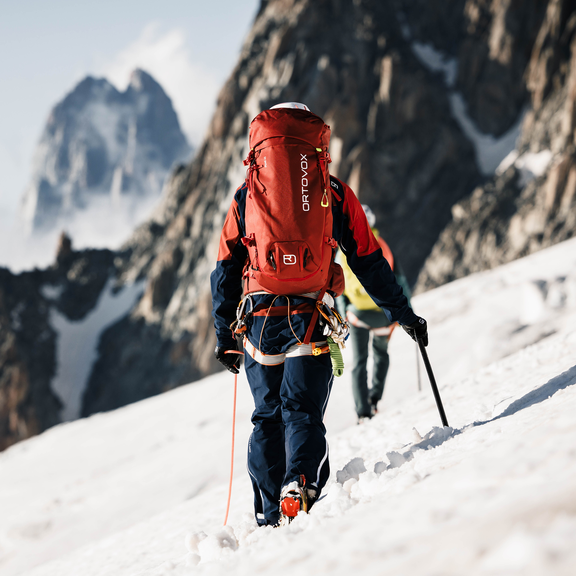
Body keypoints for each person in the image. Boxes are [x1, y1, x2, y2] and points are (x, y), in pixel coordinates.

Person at [210, 102, 427, 527]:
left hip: (258, 324)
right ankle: (301, 484)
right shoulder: (333, 191)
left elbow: (224, 270)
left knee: (266, 416)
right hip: (313, 316)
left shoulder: (245, 197)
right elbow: (367, 259)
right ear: (315, 144)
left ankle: (269, 511)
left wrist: (224, 335)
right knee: (301, 411)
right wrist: (402, 312)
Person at [338, 205, 413, 422]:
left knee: (360, 361)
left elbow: (339, 287)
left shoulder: (342, 249)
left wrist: (344, 316)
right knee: (381, 354)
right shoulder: (382, 246)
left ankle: (362, 411)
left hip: (357, 315)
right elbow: (400, 282)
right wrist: (408, 315)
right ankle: (375, 398)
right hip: (384, 315)